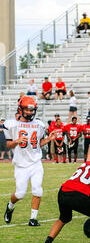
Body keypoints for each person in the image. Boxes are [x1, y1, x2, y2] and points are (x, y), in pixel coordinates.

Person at [3, 96, 56, 226]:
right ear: (21, 109)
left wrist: (48, 140)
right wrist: (16, 141)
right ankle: (10, 206)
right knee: (20, 194)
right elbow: (8, 145)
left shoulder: (38, 124)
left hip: (36, 162)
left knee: (38, 190)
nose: (30, 113)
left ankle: (33, 219)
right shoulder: (12, 125)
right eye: (27, 110)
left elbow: (38, 143)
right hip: (21, 164)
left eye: (32, 110)